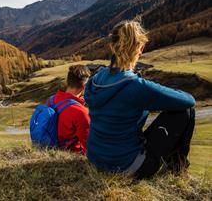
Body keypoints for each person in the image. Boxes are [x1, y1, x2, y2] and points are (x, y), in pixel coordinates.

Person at [84, 20, 196, 179]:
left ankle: (176, 169)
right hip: (126, 166)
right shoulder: (136, 86)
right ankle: (177, 170)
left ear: (111, 46)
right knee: (186, 111)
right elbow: (189, 100)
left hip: (95, 159)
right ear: (141, 49)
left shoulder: (96, 79)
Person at [47, 65, 91, 154]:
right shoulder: (81, 112)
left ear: (68, 82)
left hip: (50, 149)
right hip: (72, 154)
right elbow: (89, 146)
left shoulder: (51, 100)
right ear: (85, 86)